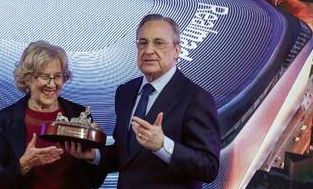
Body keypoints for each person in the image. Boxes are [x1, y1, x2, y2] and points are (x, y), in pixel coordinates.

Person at [67, 14, 221, 189]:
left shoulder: (196, 98)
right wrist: (94, 154)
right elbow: (128, 155)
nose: (148, 50)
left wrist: (163, 146)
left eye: (159, 43)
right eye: (142, 43)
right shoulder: (126, 92)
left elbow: (209, 167)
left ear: (177, 50)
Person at [0, 41, 101, 189]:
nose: (52, 85)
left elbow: (95, 181)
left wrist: (92, 156)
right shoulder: (6, 119)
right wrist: (24, 164)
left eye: (58, 76)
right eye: (44, 76)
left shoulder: (80, 115)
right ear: (27, 78)